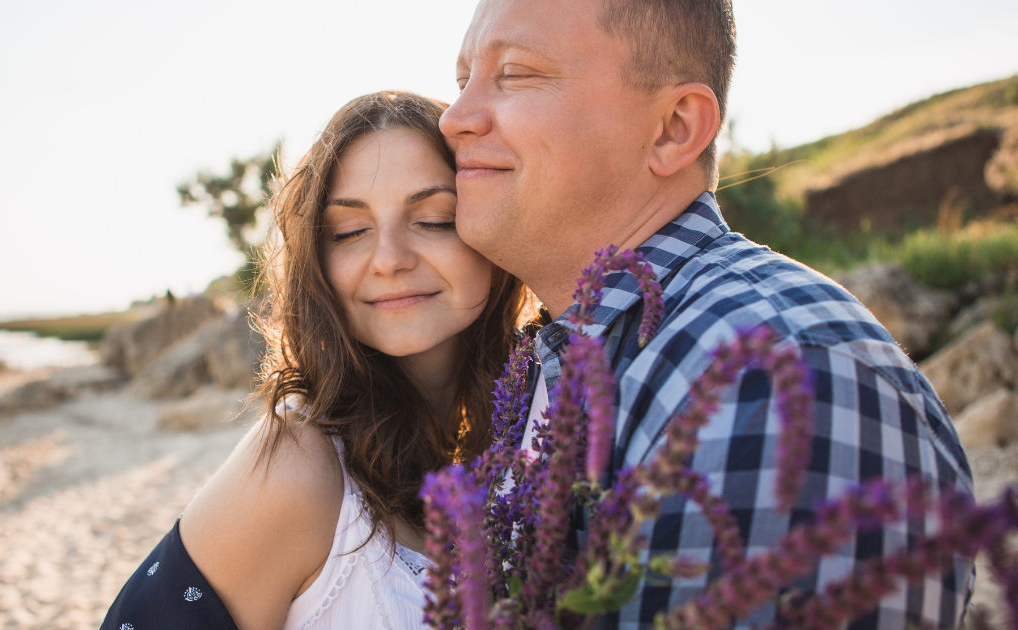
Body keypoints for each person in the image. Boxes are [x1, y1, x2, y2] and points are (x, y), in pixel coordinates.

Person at [439, 1, 974, 629]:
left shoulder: (780, 378)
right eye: (462, 80)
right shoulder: (558, 359)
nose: (454, 119)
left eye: (517, 73)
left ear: (673, 127)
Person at [101, 91, 528, 630]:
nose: (390, 259)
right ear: (316, 262)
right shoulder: (296, 466)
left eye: (436, 219)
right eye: (349, 232)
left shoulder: (530, 427)